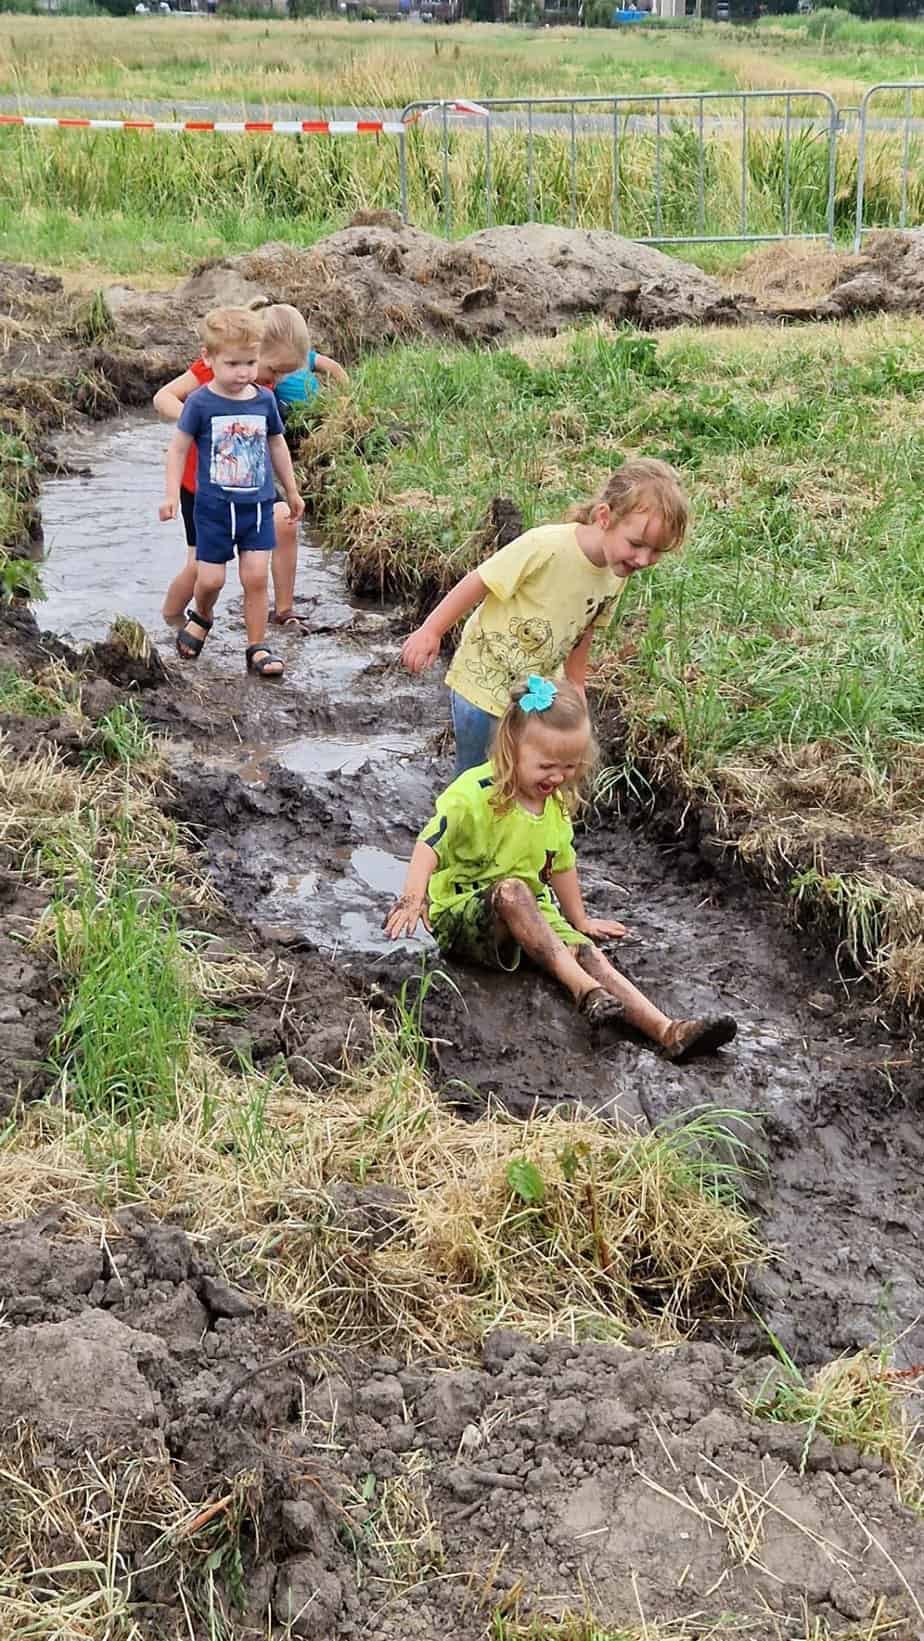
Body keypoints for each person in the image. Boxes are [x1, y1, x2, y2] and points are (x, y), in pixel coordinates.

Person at [385, 676, 736, 1062]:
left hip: (532, 913)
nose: (557, 777)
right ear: (511, 749)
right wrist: (413, 898)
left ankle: (667, 1030)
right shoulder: (473, 792)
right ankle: (585, 992)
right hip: (465, 914)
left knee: (586, 951)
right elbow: (429, 842)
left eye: (569, 767)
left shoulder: (554, 807)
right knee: (512, 891)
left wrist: (580, 921)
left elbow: (562, 864)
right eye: (546, 766)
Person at [401, 458, 688, 776]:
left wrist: (576, 684)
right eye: (636, 544)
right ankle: (457, 823)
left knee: (518, 777)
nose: (643, 559)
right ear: (605, 518)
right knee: (475, 777)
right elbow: (480, 580)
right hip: (481, 681)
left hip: (533, 694)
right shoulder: (547, 546)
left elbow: (585, 626)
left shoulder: (617, 572)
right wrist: (432, 630)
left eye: (657, 551)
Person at [154, 301, 347, 636]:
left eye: (281, 374)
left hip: (251, 482)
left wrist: (292, 488)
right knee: (200, 569)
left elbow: (276, 440)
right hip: (203, 488)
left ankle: (283, 610)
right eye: (272, 372)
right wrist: (198, 421)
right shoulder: (212, 373)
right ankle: (171, 618)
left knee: (285, 520)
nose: (274, 380)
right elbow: (163, 397)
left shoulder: (261, 385)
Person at [159, 306, 304, 678]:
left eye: (251, 363)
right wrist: (171, 494)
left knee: (255, 577)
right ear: (209, 359)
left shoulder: (264, 400)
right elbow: (177, 448)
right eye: (234, 364)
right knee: (209, 579)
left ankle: (257, 645)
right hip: (212, 507)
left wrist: (291, 490)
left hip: (255, 506)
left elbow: (277, 445)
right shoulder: (200, 402)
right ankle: (200, 615)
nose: (243, 373)